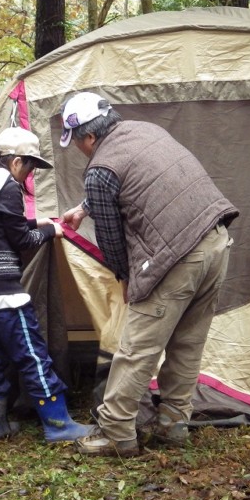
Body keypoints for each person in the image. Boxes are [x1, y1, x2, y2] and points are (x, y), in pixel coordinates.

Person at [59, 92, 239, 458]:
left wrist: (127, 279)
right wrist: (84, 208)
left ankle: (116, 433)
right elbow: (138, 181)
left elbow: (111, 239)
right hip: (216, 240)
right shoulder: (145, 131)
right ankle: (173, 424)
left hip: (176, 256)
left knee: (136, 348)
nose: (78, 149)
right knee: (187, 343)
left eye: (76, 141)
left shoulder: (99, 169)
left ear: (88, 137)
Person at [0, 126, 93, 443]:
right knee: (33, 356)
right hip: (5, 295)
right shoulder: (8, 187)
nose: (29, 176)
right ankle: (58, 425)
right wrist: (51, 231)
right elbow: (21, 240)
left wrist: (37, 222)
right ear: (16, 161)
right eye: (29, 168)